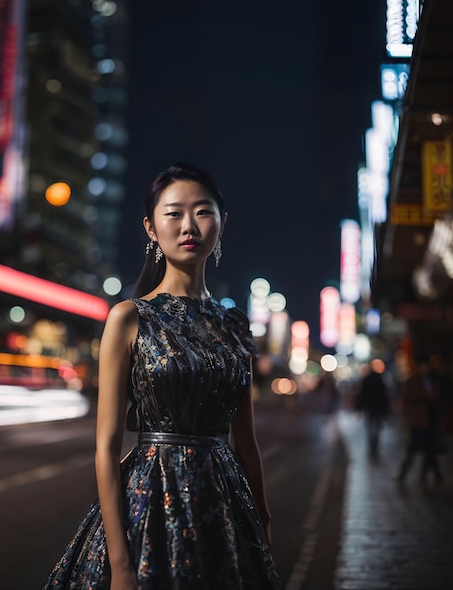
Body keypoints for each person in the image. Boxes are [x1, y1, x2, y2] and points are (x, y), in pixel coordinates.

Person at [43, 163, 281, 589]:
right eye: (174, 213)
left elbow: (245, 441)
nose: (189, 225)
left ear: (222, 223)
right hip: (150, 503)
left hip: (225, 505)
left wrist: (261, 519)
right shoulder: (129, 317)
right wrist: (120, 565)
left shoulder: (234, 325)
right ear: (151, 228)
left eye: (203, 212)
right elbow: (105, 448)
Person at [396, 355, 444, 484]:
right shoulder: (413, 381)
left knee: (430, 449)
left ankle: (432, 475)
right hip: (418, 420)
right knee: (414, 448)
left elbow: (437, 396)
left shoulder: (432, 380)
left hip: (430, 419)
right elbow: (407, 397)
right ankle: (404, 474)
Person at [355, 360, 390, 459]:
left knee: (370, 428)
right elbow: (384, 396)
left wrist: (359, 408)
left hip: (370, 408)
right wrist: (385, 411)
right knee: (376, 429)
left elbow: (362, 396)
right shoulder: (379, 379)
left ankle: (372, 447)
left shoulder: (366, 379)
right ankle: (374, 446)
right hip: (377, 408)